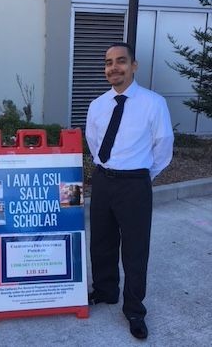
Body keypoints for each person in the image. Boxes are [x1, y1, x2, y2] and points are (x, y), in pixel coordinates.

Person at [85, 42, 174, 339]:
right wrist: (107, 170)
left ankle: (134, 309)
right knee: (101, 242)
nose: (114, 67)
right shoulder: (98, 105)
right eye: (109, 62)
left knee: (135, 250)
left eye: (121, 61)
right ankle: (106, 291)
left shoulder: (153, 103)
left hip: (135, 183)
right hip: (103, 180)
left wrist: (142, 174)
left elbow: (163, 146)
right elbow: (94, 141)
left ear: (133, 66)